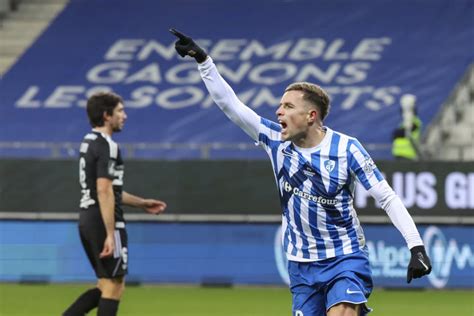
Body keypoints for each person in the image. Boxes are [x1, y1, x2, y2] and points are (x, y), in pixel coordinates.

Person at [170, 29, 432, 316]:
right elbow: (230, 105)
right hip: (300, 265)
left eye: (287, 106)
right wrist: (204, 61)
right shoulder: (274, 140)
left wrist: (416, 246)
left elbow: (387, 197)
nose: (278, 111)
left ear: (311, 116)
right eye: (280, 105)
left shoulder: (347, 148)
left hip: (345, 257)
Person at [63, 92, 167, 316]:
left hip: (88, 218)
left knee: (105, 284)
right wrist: (111, 233)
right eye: (120, 111)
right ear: (106, 115)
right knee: (115, 285)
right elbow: (104, 190)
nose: (125, 116)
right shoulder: (108, 146)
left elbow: (110, 190)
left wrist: (141, 203)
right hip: (105, 220)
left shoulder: (88, 141)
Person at [391, 94, 422, 160]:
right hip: (398, 154)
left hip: (408, 155)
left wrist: (397, 133)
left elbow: (405, 132)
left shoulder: (416, 122)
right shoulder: (402, 124)